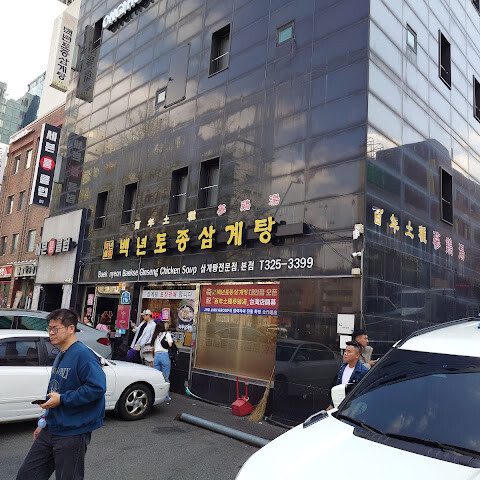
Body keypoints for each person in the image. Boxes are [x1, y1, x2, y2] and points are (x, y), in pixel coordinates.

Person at [16, 309, 106, 480]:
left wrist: (63, 399)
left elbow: (97, 388)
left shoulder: (84, 355)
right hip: (51, 427)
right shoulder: (61, 354)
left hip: (72, 431)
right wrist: (44, 420)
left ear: (71, 328)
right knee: (27, 475)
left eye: (55, 328)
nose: (51, 333)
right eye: (49, 328)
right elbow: (56, 391)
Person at [327, 341, 368, 410]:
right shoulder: (343, 367)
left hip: (352, 407)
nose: (345, 353)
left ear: (357, 356)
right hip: (339, 405)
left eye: (349, 352)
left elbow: (363, 394)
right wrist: (332, 404)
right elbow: (338, 387)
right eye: (345, 351)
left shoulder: (363, 371)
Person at [150, 321, 173, 401]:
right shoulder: (167, 334)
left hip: (156, 356)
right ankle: (166, 397)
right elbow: (170, 344)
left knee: (156, 377)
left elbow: (153, 348)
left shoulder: (155, 335)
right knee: (165, 377)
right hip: (164, 356)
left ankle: (154, 396)